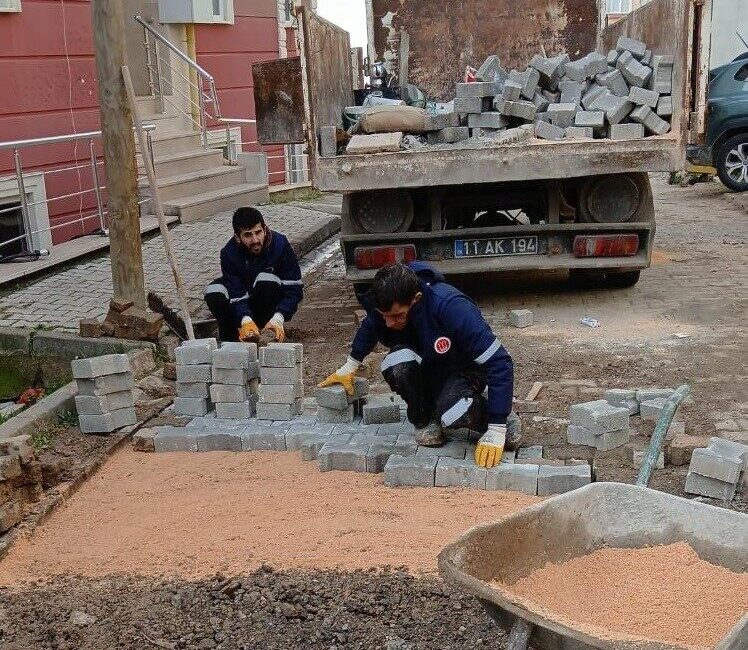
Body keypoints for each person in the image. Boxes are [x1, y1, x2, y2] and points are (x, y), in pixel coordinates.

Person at [319, 262, 520, 468]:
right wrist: (349, 367)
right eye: (385, 316)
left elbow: (499, 362)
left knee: (455, 413)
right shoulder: (384, 302)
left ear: (416, 299)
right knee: (395, 362)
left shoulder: (451, 307)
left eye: (397, 315)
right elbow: (371, 326)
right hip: (428, 365)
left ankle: (499, 417)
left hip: (460, 370)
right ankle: (425, 418)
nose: (389, 323)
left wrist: (497, 427)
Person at [204, 207, 303, 344]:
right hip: (244, 304)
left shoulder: (280, 245)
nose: (255, 240)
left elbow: (294, 288)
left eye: (258, 232)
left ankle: (269, 331)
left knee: (266, 278)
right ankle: (231, 339)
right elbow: (236, 293)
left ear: (264, 228)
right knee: (214, 291)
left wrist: (279, 317)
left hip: (270, 306)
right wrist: (245, 319)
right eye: (248, 235)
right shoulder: (228, 254)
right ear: (237, 237)